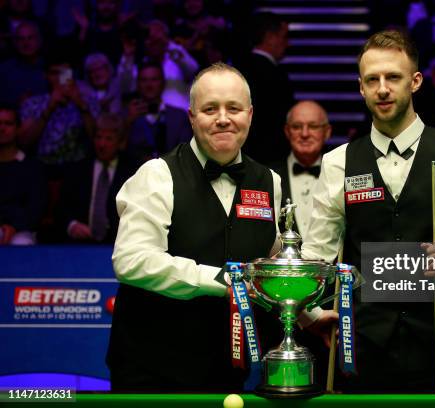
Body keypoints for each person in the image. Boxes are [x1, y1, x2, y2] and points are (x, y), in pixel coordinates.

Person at [301, 30, 435, 393]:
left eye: (393, 77)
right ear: (361, 88)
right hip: (364, 353)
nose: (383, 88)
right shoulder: (338, 163)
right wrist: (311, 314)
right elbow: (317, 256)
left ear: (415, 82)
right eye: (372, 80)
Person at [107, 62, 335, 392]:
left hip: (226, 369)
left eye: (234, 108)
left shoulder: (267, 181)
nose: (223, 118)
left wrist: (307, 315)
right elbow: (132, 260)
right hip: (152, 368)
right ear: (191, 117)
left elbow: (267, 265)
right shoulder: (156, 175)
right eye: (210, 108)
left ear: (250, 115)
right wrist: (222, 279)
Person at [58, 113, 137, 244]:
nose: (102, 144)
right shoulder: (77, 169)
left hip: (119, 244)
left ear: (120, 143)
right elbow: (61, 208)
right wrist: (72, 225)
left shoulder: (132, 173)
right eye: (98, 138)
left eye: (109, 139)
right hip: (79, 243)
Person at [235, 12, 295, 165]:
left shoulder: (236, 69)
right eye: (285, 36)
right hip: (270, 158)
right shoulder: (276, 75)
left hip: (239, 154)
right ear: (270, 37)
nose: (288, 44)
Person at [272, 100, 331, 238]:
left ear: (327, 132)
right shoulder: (267, 175)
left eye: (313, 126)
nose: (304, 134)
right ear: (287, 131)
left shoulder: (341, 174)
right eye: (297, 127)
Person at [124, 62, 192, 165]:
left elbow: (186, 155)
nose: (149, 85)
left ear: (163, 83)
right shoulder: (128, 116)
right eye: (144, 80)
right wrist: (128, 122)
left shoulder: (179, 117)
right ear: (137, 84)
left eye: (154, 79)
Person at [0, 104, 46, 245]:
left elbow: (36, 207)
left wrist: (13, 226)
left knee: (22, 244)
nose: (2, 128)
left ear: (18, 129)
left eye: (8, 123)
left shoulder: (32, 167)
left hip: (22, 230)